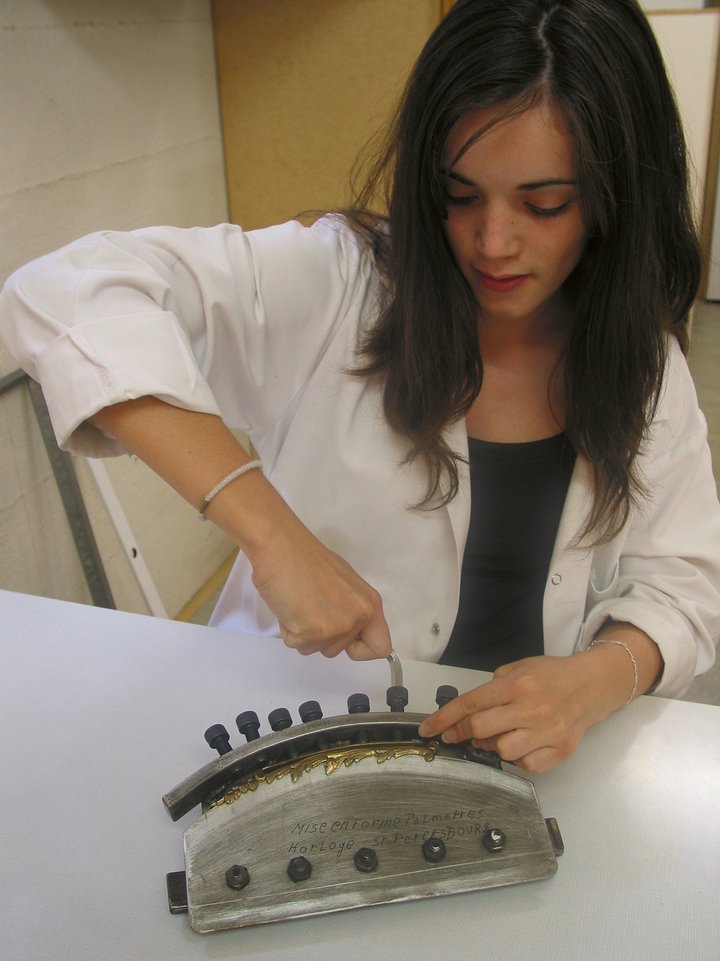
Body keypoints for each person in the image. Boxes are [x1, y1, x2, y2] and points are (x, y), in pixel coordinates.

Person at [1, 0, 719, 773]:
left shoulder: (640, 360)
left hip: (528, 772)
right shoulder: (339, 285)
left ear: (615, 197)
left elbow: (683, 582)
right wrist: (271, 533)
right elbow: (61, 290)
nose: (493, 243)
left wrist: (596, 680)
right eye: (460, 195)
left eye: (544, 205)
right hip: (289, 745)